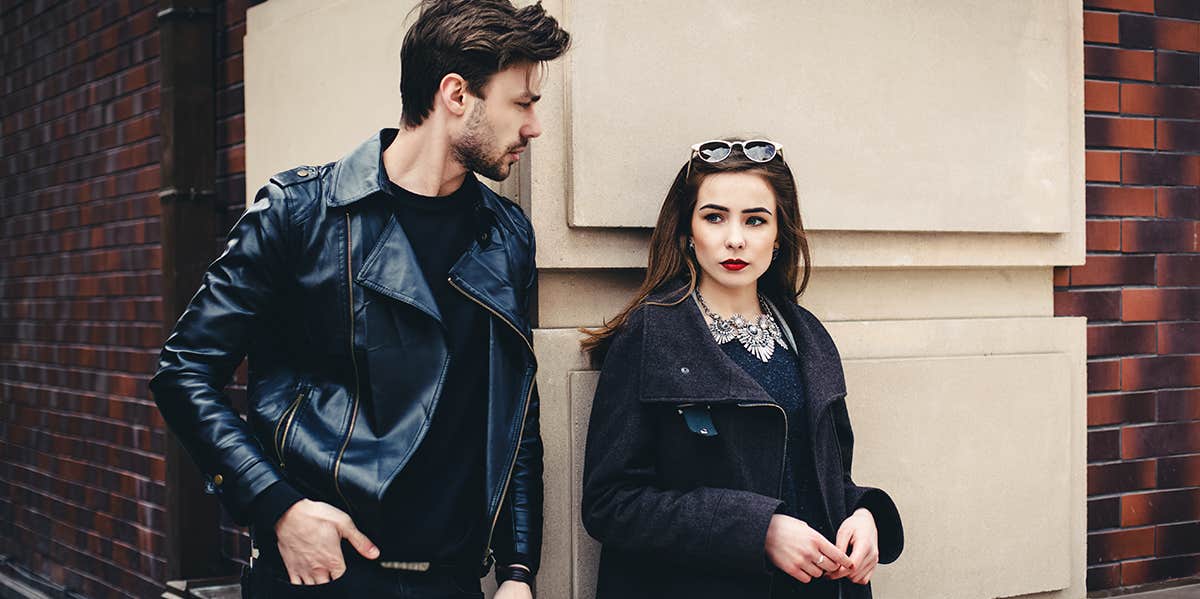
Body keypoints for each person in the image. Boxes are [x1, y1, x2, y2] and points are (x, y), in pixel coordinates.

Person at [148, 1, 569, 597]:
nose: (534, 126)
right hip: (323, 574)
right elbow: (184, 372)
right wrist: (276, 506)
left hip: (452, 582)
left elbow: (514, 411)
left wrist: (520, 569)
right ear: (456, 94)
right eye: (522, 103)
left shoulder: (505, 236)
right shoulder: (301, 213)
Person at [579, 138, 904, 598]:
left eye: (755, 220)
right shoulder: (651, 335)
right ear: (688, 232)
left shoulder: (808, 336)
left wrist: (865, 515)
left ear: (779, 234)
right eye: (714, 217)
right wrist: (758, 531)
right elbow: (611, 504)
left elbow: (830, 478)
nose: (735, 238)